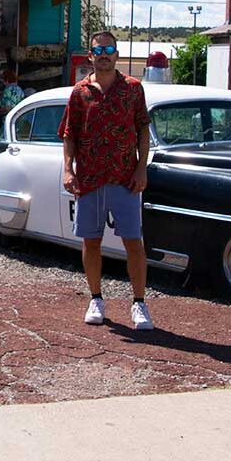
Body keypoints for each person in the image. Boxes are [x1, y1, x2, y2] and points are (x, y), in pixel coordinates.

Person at [58, 30, 154, 331]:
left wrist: (142, 168)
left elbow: (142, 129)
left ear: (117, 54)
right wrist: (68, 169)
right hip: (90, 178)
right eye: (98, 50)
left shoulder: (133, 89)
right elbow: (69, 134)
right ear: (91, 55)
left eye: (109, 49)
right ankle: (96, 298)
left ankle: (139, 303)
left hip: (125, 177)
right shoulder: (80, 92)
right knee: (91, 240)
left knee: (134, 242)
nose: (104, 54)